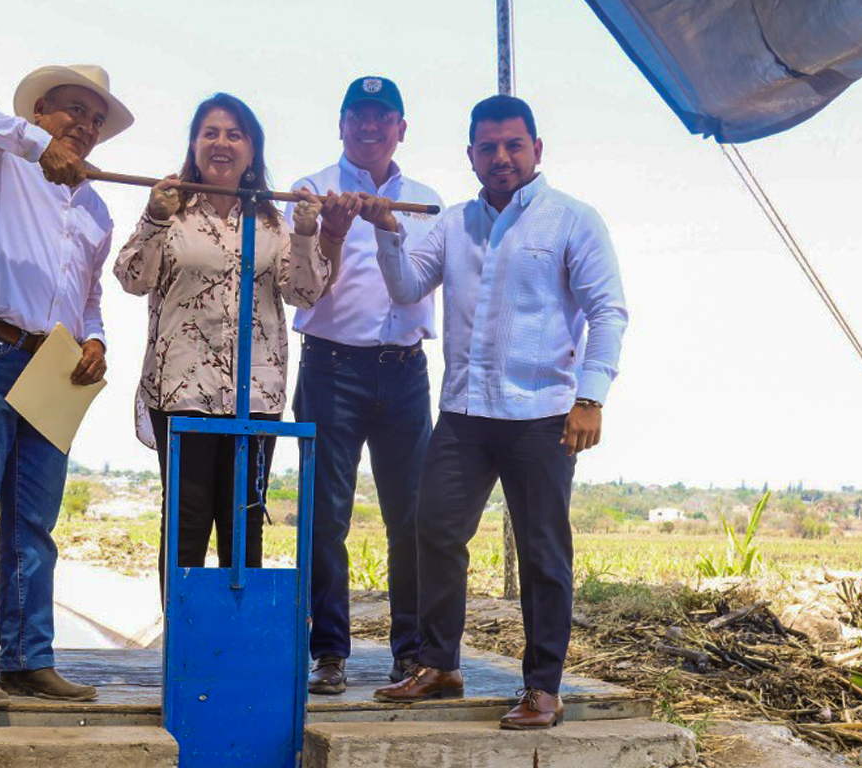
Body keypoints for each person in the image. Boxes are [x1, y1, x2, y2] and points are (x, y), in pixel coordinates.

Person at [366, 95, 628, 730]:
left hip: (543, 413)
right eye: (488, 148)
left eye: (514, 145)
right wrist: (386, 228)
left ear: (537, 149)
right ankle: (439, 665)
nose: (502, 158)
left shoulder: (573, 220)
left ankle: (542, 687)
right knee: (432, 531)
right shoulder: (452, 223)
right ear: (472, 156)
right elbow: (405, 289)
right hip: (464, 411)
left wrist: (590, 397)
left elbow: (608, 312)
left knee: (543, 551)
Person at [0, 64, 129, 708]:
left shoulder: (96, 206)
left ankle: (27, 659)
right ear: (40, 109)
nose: (85, 126)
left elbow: (89, 298)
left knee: (35, 525)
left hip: (55, 369)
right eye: (74, 110)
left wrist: (95, 339)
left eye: (96, 119)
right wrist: (39, 147)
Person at [114, 92, 357, 590]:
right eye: (211, 133)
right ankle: (184, 656)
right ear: (194, 145)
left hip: (256, 395)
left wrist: (311, 233)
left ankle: (233, 653)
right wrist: (153, 217)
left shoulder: (274, 222)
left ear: (252, 150)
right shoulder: (172, 212)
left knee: (244, 525)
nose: (221, 143)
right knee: (184, 528)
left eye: (234, 134)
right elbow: (132, 277)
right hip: (182, 394)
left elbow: (306, 292)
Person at [285, 76, 444, 695]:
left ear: (402, 127)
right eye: (359, 115)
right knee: (325, 518)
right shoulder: (310, 191)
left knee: (413, 518)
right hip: (330, 367)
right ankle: (328, 651)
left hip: (404, 370)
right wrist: (326, 227)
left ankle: (411, 651)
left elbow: (426, 283)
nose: (370, 127)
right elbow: (298, 283)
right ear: (342, 124)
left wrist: (387, 230)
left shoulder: (430, 202)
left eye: (384, 117)